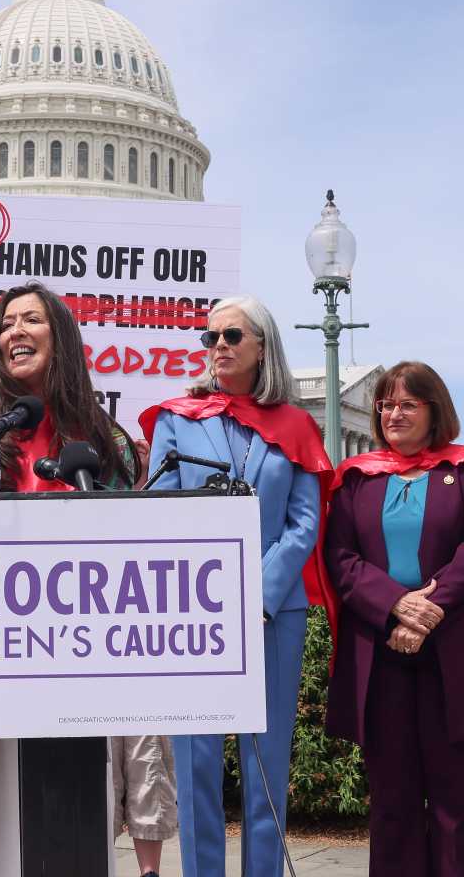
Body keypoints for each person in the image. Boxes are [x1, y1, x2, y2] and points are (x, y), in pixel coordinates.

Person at [0, 284, 158, 877]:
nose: (13, 332)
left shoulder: (104, 439)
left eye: (30, 319)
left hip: (77, 666)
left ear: (60, 337)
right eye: (6, 322)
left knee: (72, 829)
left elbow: (125, 547)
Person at [139, 294, 329, 877]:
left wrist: (259, 593)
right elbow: (158, 510)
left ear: (262, 347)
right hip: (196, 612)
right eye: (210, 337)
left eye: (231, 336)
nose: (217, 346)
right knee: (195, 762)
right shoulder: (178, 417)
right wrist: (213, 592)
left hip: (275, 612)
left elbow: (304, 522)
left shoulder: (296, 425)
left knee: (266, 759)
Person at [321, 361, 464, 876]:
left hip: (454, 653)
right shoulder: (356, 480)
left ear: (436, 410)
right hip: (381, 653)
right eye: (387, 404)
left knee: (457, 804)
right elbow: (339, 557)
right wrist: (394, 604)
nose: (394, 413)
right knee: (392, 803)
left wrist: (426, 612)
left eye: (408, 403)